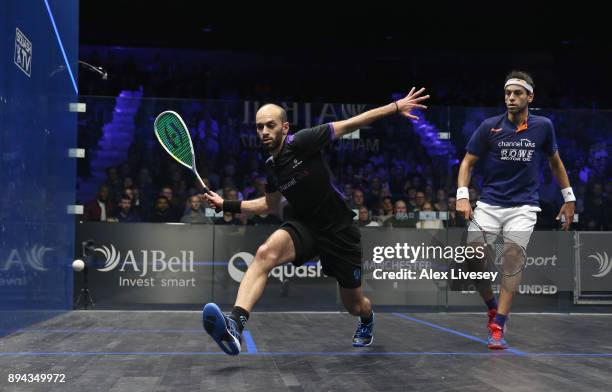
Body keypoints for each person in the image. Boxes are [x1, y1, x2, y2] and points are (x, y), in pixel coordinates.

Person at [201, 88, 429, 355]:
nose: (264, 131)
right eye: (259, 127)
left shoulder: (303, 142)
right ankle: (235, 326)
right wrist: (225, 204)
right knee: (264, 254)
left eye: (270, 126)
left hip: (339, 231)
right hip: (306, 227)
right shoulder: (272, 167)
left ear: (284, 127)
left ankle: (366, 319)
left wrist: (395, 107)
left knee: (354, 305)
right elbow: (270, 204)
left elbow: (352, 123)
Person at [456, 71, 575, 350]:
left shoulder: (543, 126)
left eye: (517, 93)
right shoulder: (489, 127)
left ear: (529, 97)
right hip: (488, 204)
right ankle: (491, 305)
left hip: (523, 207)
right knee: (472, 255)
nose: (511, 98)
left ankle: (499, 324)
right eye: (508, 93)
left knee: (512, 257)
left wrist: (568, 198)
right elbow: (467, 162)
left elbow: (555, 162)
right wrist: (462, 196)